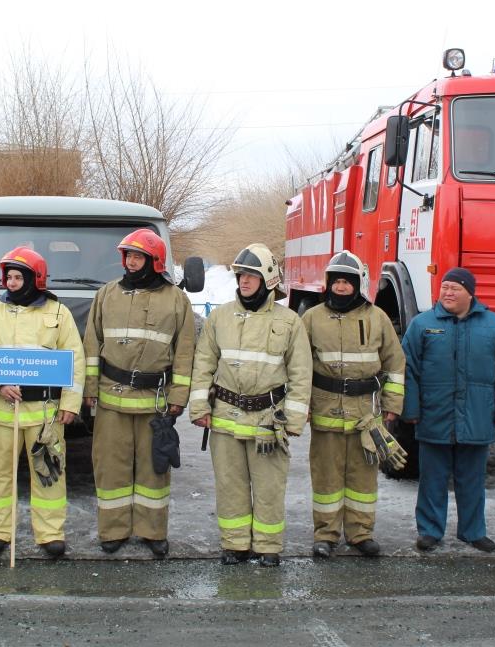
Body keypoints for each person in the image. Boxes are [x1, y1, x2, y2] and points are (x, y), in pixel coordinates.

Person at [190, 243, 312, 567]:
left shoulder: (289, 322)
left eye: (251, 276)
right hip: (226, 417)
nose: (244, 281)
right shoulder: (220, 318)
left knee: (269, 486)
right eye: (241, 275)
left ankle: (268, 547)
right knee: (230, 485)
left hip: (268, 421)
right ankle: (235, 545)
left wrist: (294, 420)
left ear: (269, 279)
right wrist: (200, 407)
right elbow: (203, 363)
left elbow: (301, 373)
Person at [83, 229, 196, 558]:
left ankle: (152, 531)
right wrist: (90, 389)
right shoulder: (106, 295)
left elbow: (185, 351)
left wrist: (178, 397)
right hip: (111, 400)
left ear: (154, 261)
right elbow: (92, 345)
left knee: (153, 470)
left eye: (138, 256)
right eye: (128, 256)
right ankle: (113, 530)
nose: (131, 262)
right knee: (111, 467)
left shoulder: (177, 300)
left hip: (155, 401)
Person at [0, 246, 85, 559]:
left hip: (46, 414)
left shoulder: (58, 313)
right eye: (9, 276)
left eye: (19, 277)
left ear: (35, 278)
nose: (12, 282)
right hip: (2, 413)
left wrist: (70, 404)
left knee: (49, 472)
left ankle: (50, 535)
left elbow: (75, 359)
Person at [401, 267, 495, 553]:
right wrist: (411, 409)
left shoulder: (494, 326)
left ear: (470, 292)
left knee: (472, 481)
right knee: (432, 479)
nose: (448, 293)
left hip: (477, 418)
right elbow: (407, 370)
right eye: (444, 287)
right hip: (434, 416)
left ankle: (472, 531)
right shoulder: (422, 325)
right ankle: (430, 531)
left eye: (455, 288)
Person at [301, 251, 406, 559]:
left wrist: (393, 405)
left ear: (358, 284)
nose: (342, 287)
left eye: (347, 282)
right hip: (325, 413)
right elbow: (299, 365)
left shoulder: (377, 318)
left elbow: (395, 364)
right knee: (326, 478)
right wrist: (301, 404)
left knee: (362, 479)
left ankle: (361, 533)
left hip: (365, 417)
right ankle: (326, 535)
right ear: (328, 284)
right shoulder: (312, 318)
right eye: (336, 281)